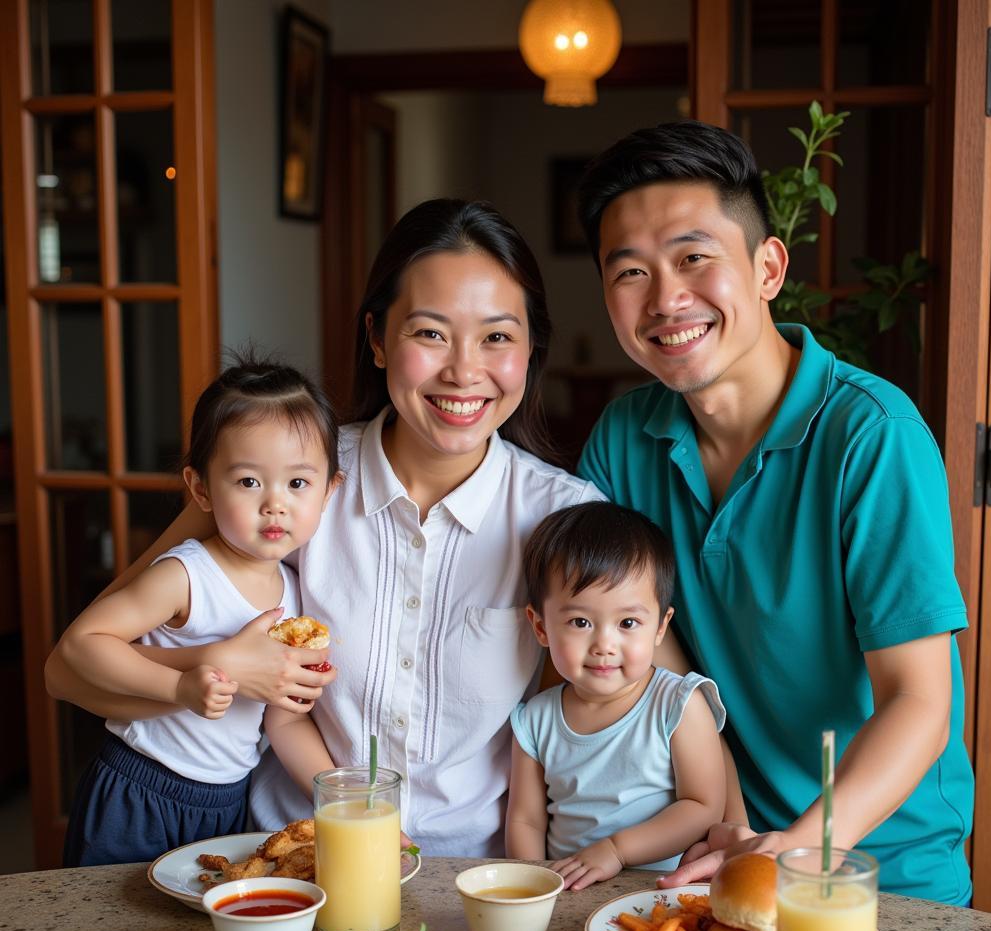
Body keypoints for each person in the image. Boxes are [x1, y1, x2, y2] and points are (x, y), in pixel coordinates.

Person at [47, 199, 606, 858]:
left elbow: (630, 698)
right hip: (284, 858)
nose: (463, 370)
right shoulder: (283, 481)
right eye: (429, 333)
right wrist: (209, 675)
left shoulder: (563, 516)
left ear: (531, 349)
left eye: (497, 337)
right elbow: (70, 670)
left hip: (465, 874)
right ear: (376, 338)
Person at [573, 120, 974, 905]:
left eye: (694, 258)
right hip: (718, 849)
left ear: (767, 267)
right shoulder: (623, 439)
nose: (666, 299)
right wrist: (726, 809)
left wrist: (802, 847)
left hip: (879, 867)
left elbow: (919, 701)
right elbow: (643, 641)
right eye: (630, 273)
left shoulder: (871, 435)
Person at [54, 357, 339, 865]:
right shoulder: (186, 575)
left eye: (298, 484)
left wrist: (340, 800)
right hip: (142, 788)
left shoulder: (296, 598)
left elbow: (282, 722)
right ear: (201, 488)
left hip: (225, 802)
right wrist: (179, 689)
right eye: (249, 482)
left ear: (329, 491)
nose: (275, 504)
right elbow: (84, 644)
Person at [506, 501, 727, 891]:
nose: (604, 644)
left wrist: (617, 850)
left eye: (628, 623)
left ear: (660, 628)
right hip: (568, 892)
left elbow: (703, 806)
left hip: (661, 893)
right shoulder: (535, 720)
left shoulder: (678, 703)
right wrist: (534, 886)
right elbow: (526, 820)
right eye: (580, 622)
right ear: (540, 627)